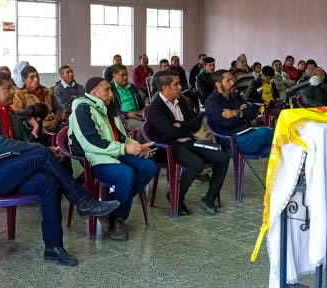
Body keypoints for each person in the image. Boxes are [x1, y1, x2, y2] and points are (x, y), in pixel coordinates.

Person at [0, 72, 119, 265]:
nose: (13, 92)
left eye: (12, 87)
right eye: (7, 89)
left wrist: (46, 150)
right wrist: (41, 151)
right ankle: (83, 201)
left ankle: (53, 247)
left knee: (48, 182)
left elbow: (19, 142)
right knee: (41, 154)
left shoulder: (5, 109)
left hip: (4, 168)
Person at [69, 77, 156, 241]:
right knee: (126, 174)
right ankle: (119, 218)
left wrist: (137, 146)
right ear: (94, 92)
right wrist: (125, 148)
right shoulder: (82, 109)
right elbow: (91, 143)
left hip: (113, 153)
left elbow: (120, 137)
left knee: (149, 167)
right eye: (107, 90)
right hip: (93, 159)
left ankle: (109, 208)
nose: (111, 94)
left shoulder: (108, 107)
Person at [146, 71, 229, 215]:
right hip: (168, 147)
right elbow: (171, 133)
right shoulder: (155, 108)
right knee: (196, 163)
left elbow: (196, 122)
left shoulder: (181, 100)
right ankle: (176, 197)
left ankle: (209, 198)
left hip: (189, 142)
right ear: (165, 88)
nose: (180, 87)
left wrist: (180, 124)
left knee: (223, 157)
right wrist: (185, 127)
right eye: (176, 84)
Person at [205, 70, 274, 157]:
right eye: (228, 81)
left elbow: (253, 112)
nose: (232, 83)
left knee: (277, 145)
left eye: (232, 79)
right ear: (218, 84)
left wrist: (236, 113)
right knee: (266, 133)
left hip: (246, 131)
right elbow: (227, 123)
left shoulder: (234, 95)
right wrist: (242, 113)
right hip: (231, 140)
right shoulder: (212, 102)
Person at [11, 65, 60, 132]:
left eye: (37, 76)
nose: (36, 79)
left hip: (53, 124)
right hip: (33, 128)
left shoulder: (48, 92)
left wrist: (56, 121)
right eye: (32, 77)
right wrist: (41, 123)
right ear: (24, 80)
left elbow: (58, 109)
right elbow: (18, 116)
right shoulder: (19, 95)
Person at [110, 64, 145, 132]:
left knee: (155, 122)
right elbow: (110, 110)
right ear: (114, 76)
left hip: (137, 113)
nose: (125, 77)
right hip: (123, 118)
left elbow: (141, 102)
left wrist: (143, 111)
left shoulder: (132, 87)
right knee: (144, 127)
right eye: (122, 75)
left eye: (126, 74)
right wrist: (127, 115)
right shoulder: (110, 89)